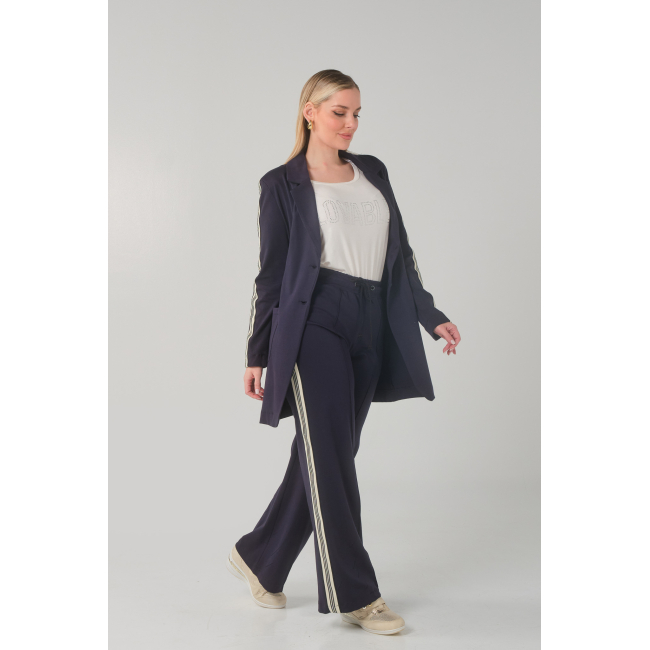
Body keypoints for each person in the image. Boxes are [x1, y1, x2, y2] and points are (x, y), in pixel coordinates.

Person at [228, 69, 461, 636]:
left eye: (357, 114)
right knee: (330, 457)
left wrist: (430, 314)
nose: (351, 124)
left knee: (328, 452)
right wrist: (257, 353)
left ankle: (259, 555)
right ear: (310, 112)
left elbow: (401, 253)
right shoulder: (281, 184)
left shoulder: (373, 171)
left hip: (371, 319)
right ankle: (356, 593)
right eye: (340, 113)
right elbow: (271, 275)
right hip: (316, 321)